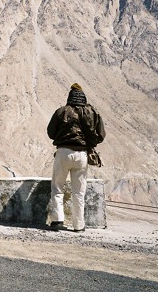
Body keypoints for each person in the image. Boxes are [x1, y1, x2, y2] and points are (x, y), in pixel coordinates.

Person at [46, 83, 105, 232]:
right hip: (82, 155)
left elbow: (51, 132)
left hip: (63, 152)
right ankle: (79, 225)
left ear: (70, 97)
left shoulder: (61, 112)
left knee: (57, 187)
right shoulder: (92, 112)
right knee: (79, 192)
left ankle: (57, 220)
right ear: (83, 97)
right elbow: (101, 135)